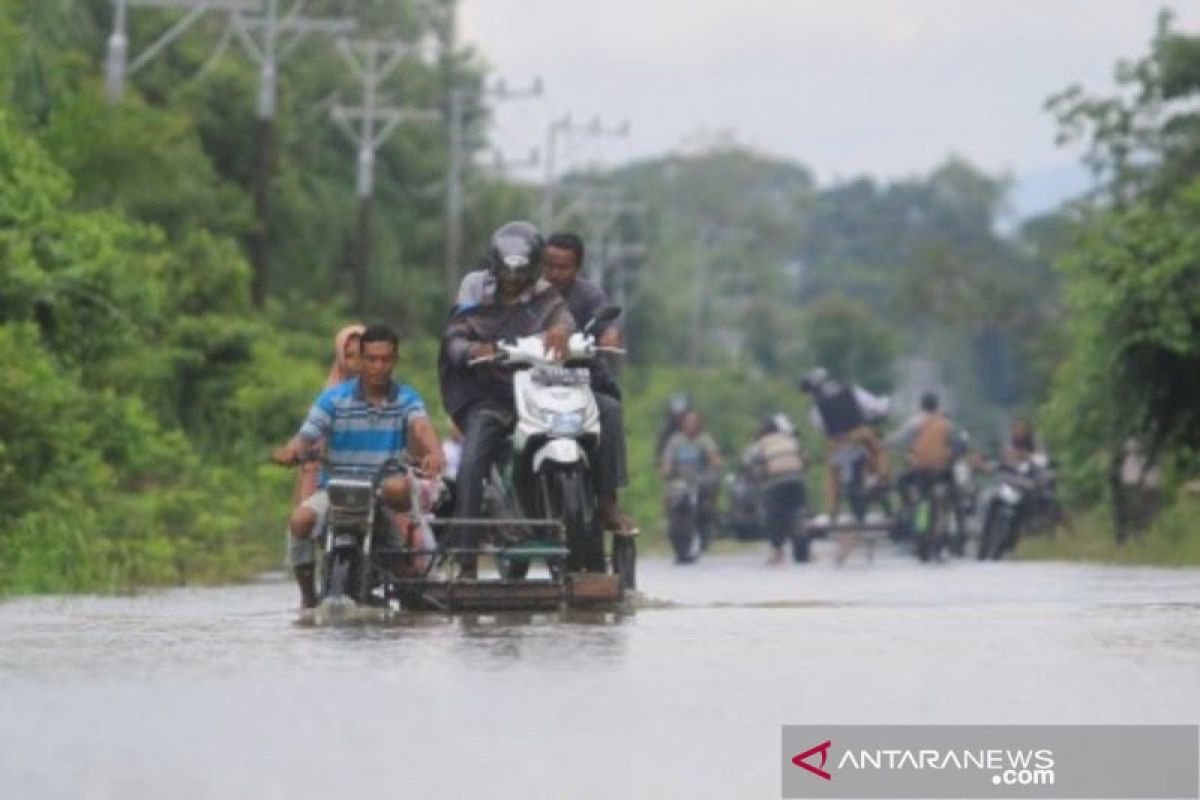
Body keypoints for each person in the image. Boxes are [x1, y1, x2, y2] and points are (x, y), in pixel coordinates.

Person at [439, 220, 575, 578]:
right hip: (488, 394)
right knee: (470, 464)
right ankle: (466, 559)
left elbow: (564, 319)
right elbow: (454, 333)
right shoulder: (473, 287)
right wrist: (472, 348)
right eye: (507, 275)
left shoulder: (546, 294)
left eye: (521, 276)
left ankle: (573, 532)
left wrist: (561, 330)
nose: (513, 283)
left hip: (536, 392)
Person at [273, 324, 445, 608]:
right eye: (371, 359)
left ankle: (401, 556)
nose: (378, 367)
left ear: (395, 361)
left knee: (399, 486)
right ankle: (307, 595)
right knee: (299, 520)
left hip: (382, 493)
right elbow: (307, 435)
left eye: (385, 360)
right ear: (361, 361)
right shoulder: (333, 399)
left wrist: (434, 452)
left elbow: (421, 426)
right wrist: (292, 451)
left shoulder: (407, 398)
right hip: (337, 491)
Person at [539, 231, 634, 534]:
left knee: (609, 410)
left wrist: (610, 335)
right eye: (548, 265)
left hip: (582, 382)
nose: (554, 273)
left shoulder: (590, 295)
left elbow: (606, 324)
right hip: (531, 384)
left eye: (562, 267)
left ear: (577, 268)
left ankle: (607, 501)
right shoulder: (528, 293)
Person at [799, 367, 891, 519]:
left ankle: (832, 509)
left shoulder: (815, 407)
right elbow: (876, 407)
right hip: (860, 435)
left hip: (836, 443)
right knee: (880, 450)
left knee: (832, 473)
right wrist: (884, 405)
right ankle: (881, 478)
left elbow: (821, 428)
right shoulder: (850, 390)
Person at [291, 324, 365, 507]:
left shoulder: (389, 397)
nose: (356, 362)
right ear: (340, 358)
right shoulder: (329, 400)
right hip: (331, 486)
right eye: (349, 356)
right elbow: (311, 446)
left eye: (361, 354)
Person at [885, 391, 966, 539]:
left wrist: (884, 443)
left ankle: (913, 517)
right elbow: (959, 443)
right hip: (942, 471)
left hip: (921, 470)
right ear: (937, 406)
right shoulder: (946, 423)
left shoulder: (917, 422)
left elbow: (900, 438)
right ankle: (955, 531)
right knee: (953, 499)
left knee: (909, 489)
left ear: (922, 406)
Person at [744, 413, 807, 564]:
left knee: (774, 517)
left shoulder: (761, 443)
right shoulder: (790, 440)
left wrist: (758, 473)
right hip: (797, 480)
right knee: (799, 513)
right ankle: (805, 550)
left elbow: (749, 461)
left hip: (776, 482)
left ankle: (777, 552)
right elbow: (805, 459)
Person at [660, 410, 723, 558]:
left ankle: (705, 530)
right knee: (671, 502)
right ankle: (678, 539)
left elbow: (714, 458)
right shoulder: (675, 441)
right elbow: (667, 462)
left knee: (707, 501)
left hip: (700, 480)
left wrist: (714, 463)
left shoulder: (704, 440)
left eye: (694, 422)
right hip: (680, 481)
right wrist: (667, 470)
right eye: (688, 422)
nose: (691, 425)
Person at [656, 392, 691, 465]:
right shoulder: (666, 431)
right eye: (677, 415)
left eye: (683, 414)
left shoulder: (695, 427)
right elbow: (660, 454)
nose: (680, 418)